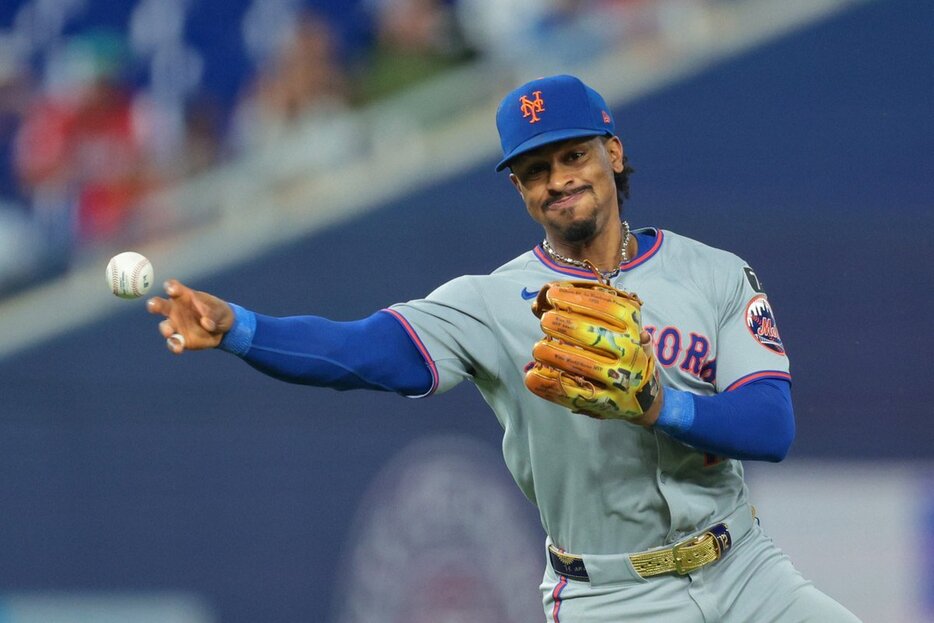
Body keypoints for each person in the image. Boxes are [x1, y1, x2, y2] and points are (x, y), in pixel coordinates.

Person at [148, 74, 860, 622]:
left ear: (613, 153)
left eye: (573, 155)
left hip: (744, 571)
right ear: (519, 187)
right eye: (535, 170)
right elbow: (362, 350)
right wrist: (241, 329)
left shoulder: (715, 273)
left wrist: (658, 405)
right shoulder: (490, 302)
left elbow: (770, 426)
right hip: (613, 597)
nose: (559, 180)